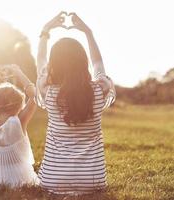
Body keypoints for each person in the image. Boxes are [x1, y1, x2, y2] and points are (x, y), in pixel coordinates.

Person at [36, 12, 116, 195]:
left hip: (53, 180)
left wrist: (45, 31)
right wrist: (88, 32)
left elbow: (40, 62)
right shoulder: (99, 90)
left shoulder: (48, 92)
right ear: (83, 62)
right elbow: (98, 64)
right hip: (93, 181)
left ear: (53, 64)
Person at [0, 65, 38, 191]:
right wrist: (19, 73)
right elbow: (34, 96)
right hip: (21, 181)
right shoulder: (19, 121)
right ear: (19, 105)